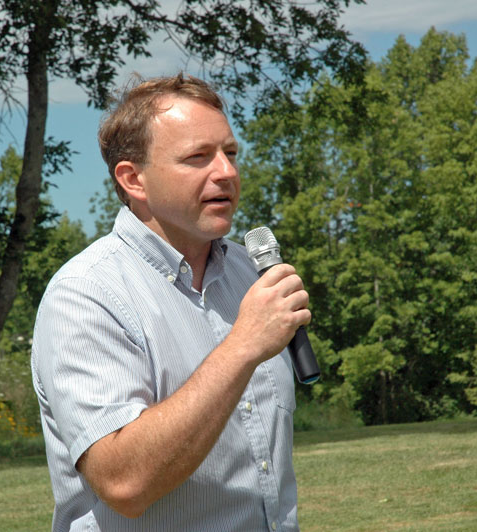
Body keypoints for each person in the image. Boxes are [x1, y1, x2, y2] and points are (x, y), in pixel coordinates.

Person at [31, 73, 311, 531]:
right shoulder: (84, 294)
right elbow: (124, 483)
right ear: (133, 179)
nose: (226, 172)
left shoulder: (250, 275)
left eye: (230, 153)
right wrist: (242, 346)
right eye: (198, 157)